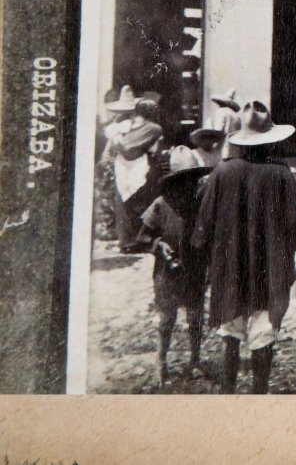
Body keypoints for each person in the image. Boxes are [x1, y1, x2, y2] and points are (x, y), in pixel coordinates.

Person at [191, 100, 296, 394]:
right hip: (270, 265)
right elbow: (295, 229)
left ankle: (228, 390)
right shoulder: (281, 174)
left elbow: (203, 225)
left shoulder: (222, 172)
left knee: (230, 331)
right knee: (264, 331)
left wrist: (205, 260)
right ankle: (259, 393)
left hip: (229, 264)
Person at [134, 146, 212, 385]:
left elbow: (212, 235)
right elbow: (142, 237)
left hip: (194, 269)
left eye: (193, 179)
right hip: (167, 272)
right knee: (166, 318)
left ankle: (195, 359)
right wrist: (159, 245)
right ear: (172, 182)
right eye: (182, 180)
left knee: (196, 316)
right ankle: (161, 360)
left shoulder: (201, 203)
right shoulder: (161, 204)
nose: (188, 186)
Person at [108, 95, 164, 253]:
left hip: (124, 165)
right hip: (140, 167)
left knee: (125, 202)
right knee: (138, 202)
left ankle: (127, 241)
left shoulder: (127, 125)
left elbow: (120, 144)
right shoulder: (153, 128)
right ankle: (135, 240)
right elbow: (132, 147)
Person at [93, 87, 137, 241]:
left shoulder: (121, 122)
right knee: (111, 194)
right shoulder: (123, 123)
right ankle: (109, 228)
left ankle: (111, 228)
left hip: (113, 159)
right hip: (113, 159)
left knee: (112, 195)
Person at [210, 88, 242, 160]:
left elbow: (217, 131)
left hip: (222, 151)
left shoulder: (221, 112)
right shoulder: (237, 117)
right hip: (235, 152)